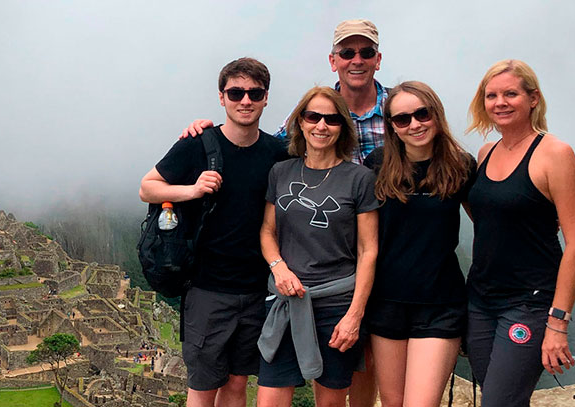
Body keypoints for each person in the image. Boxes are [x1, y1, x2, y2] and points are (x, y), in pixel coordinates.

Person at [138, 57, 289, 406]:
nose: (245, 100)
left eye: (255, 93)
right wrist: (190, 190)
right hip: (207, 289)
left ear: (266, 98)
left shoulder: (277, 154)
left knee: (237, 383)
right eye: (236, 92)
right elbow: (148, 188)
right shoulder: (198, 144)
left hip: (255, 289)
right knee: (203, 388)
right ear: (221, 98)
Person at [463, 60, 575, 406]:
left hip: (529, 302)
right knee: (497, 396)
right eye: (491, 96)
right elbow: (487, 220)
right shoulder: (486, 152)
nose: (499, 102)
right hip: (481, 299)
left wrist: (558, 323)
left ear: (533, 99)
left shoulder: (555, 155)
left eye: (510, 94)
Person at [255, 87, 379, 407]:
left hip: (337, 304)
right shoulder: (281, 172)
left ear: (343, 127)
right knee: (269, 399)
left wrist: (355, 314)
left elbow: (368, 250)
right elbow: (268, 232)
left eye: (332, 119)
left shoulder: (359, 179)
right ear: (300, 122)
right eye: (313, 117)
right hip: (285, 298)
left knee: (330, 402)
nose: (321, 126)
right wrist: (278, 267)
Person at [362, 81, 475, 407]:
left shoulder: (460, 166)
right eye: (402, 119)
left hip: (440, 304)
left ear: (436, 115)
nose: (414, 124)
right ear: (392, 127)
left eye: (422, 114)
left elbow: (491, 219)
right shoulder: (378, 165)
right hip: (386, 302)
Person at [184, 19, 387, 166]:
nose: (357, 61)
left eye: (367, 53)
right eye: (347, 53)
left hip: (394, 219)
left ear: (377, 60)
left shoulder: (402, 111)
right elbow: (266, 147)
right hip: (338, 220)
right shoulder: (312, 111)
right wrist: (210, 135)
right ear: (333, 61)